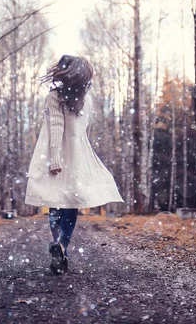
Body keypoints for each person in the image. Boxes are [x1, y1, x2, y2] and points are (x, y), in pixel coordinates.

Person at [25, 55, 124, 275]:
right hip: (77, 153)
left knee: (55, 199)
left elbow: (56, 126)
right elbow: (82, 130)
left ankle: (58, 244)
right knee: (72, 201)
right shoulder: (85, 100)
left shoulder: (55, 97)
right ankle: (62, 246)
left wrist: (55, 156)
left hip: (56, 151)